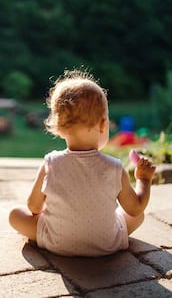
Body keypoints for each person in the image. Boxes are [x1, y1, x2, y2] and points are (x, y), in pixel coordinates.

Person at [9, 69, 156, 257]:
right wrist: (144, 180)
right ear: (103, 124)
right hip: (107, 243)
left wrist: (47, 207)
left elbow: (33, 207)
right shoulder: (115, 168)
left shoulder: (50, 163)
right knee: (138, 216)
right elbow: (135, 209)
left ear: (59, 128)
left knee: (15, 214)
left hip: (57, 242)